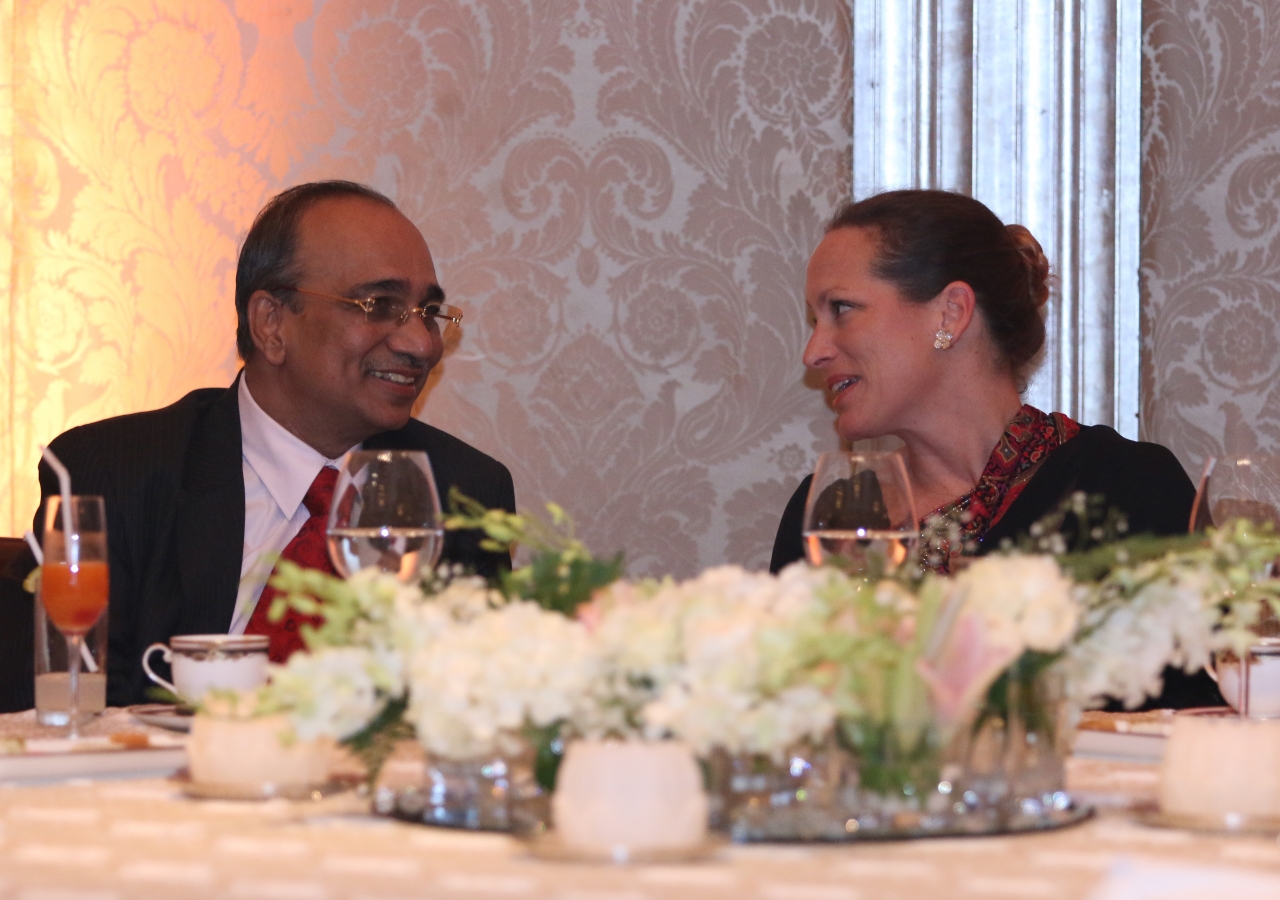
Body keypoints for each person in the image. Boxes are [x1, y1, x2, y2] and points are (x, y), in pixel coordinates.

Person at [0, 181, 515, 710]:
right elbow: (37, 706)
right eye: (379, 304)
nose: (421, 344)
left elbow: (469, 715)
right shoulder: (113, 473)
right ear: (271, 323)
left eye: (428, 312)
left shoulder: (461, 491)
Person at [769, 189, 1216, 708]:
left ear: (951, 313)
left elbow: (1204, 724)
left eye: (842, 309)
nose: (814, 351)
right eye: (815, 318)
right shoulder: (834, 513)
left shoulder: (1126, 487)